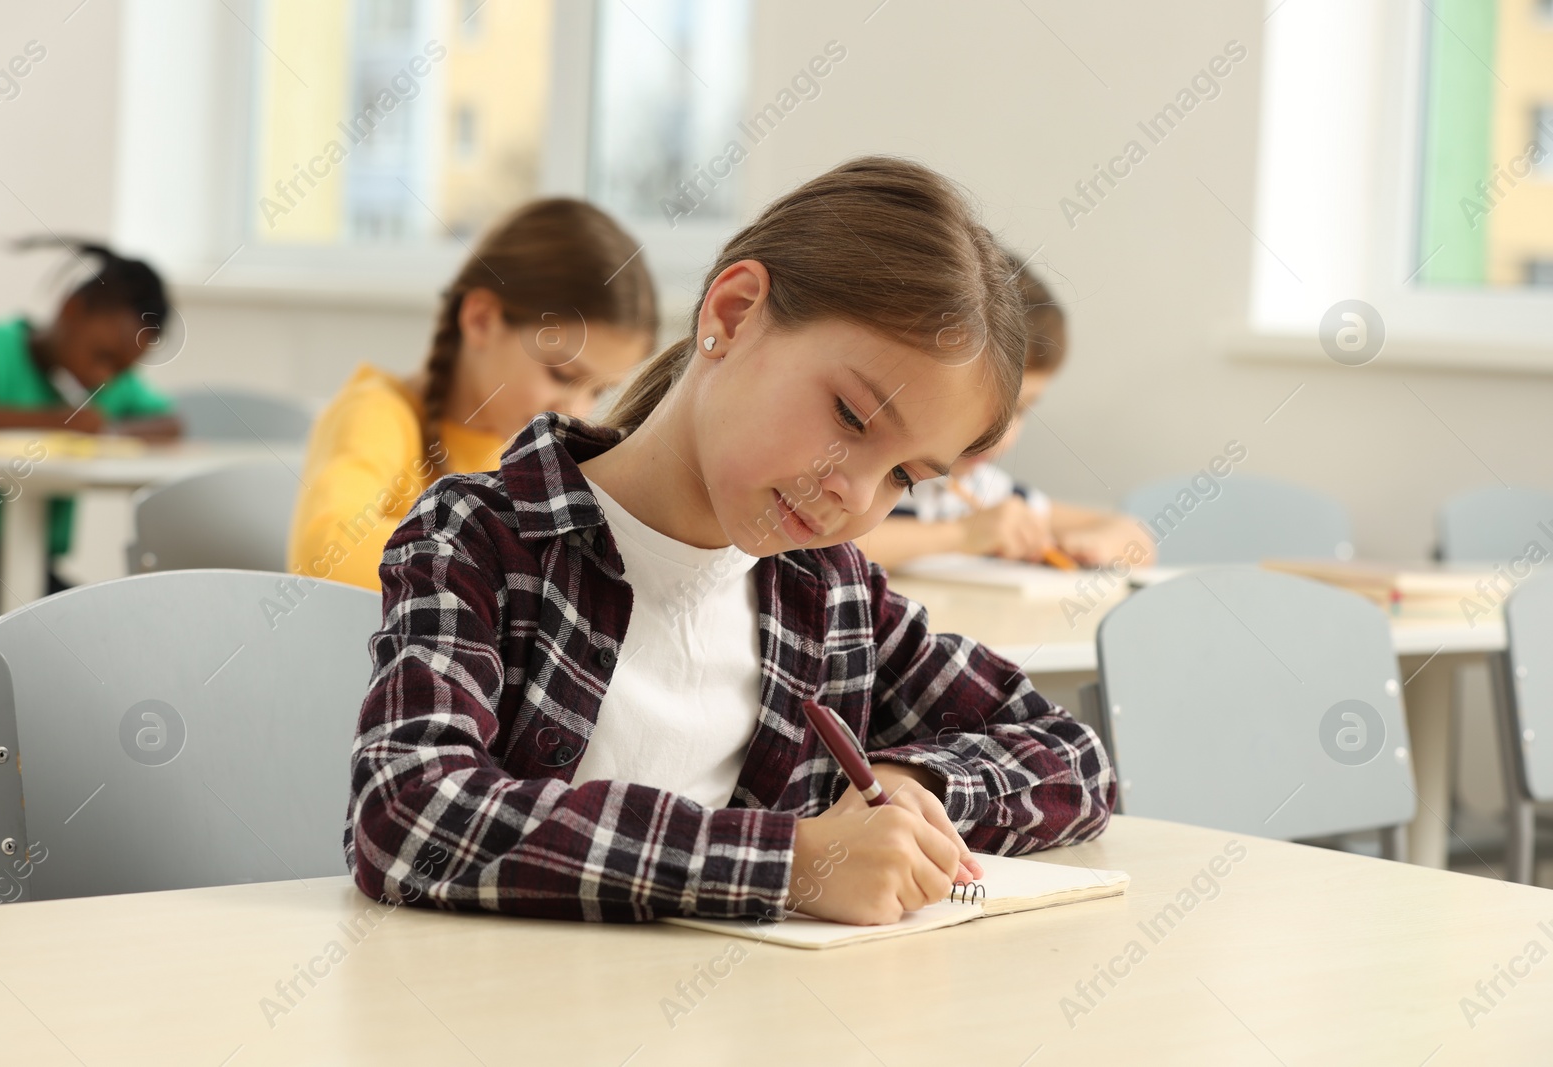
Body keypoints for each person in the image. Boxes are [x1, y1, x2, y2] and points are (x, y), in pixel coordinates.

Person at [345, 157, 1115, 926]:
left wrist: (914, 782)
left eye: (905, 476)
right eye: (851, 418)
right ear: (735, 312)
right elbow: (408, 814)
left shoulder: (830, 595)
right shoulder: (478, 537)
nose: (855, 494)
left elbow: (1075, 757)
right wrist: (792, 862)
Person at [287, 198, 657, 591]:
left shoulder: (524, 459)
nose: (576, 410)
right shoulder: (375, 414)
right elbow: (324, 557)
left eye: (597, 391)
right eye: (561, 375)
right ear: (481, 319)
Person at [856, 255, 1156, 570]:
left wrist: (1092, 545)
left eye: (1022, 411)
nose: (1002, 434)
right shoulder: (869, 480)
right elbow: (827, 550)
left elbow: (1137, 536)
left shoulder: (986, 491)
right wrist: (960, 534)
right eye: (989, 409)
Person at [0, 239, 181, 634]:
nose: (105, 376)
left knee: (98, 634)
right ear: (72, 309)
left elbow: (169, 422)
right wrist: (55, 424)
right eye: (103, 356)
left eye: (122, 369)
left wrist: (109, 431)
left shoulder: (102, 389)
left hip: (34, 565)